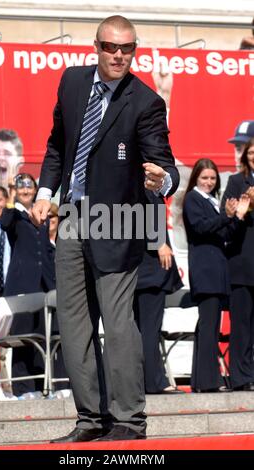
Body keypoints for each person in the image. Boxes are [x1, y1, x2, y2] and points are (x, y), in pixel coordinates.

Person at [32, 15, 179, 442]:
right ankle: (90, 420)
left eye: (127, 48)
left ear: (135, 51)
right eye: (110, 47)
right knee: (75, 327)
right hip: (73, 218)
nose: (118, 55)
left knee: (117, 326)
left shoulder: (146, 102)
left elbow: (165, 163)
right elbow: (57, 145)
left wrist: (162, 181)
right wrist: (45, 192)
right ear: (96, 46)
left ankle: (129, 422)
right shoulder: (72, 83)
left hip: (118, 222)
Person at [183, 158, 249, 393]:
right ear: (196, 178)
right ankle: (209, 381)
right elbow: (201, 227)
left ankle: (202, 380)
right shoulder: (193, 198)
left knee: (208, 328)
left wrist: (237, 216)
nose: (209, 182)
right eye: (204, 178)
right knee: (209, 327)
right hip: (205, 271)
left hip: (217, 272)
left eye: (212, 178)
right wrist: (226, 216)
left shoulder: (211, 201)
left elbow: (225, 231)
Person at [1, 173, 55, 397]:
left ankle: (41, 386)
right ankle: (23, 388)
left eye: (28, 186)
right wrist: (11, 195)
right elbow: (4, 222)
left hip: (43, 284)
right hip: (22, 284)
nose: (25, 190)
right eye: (20, 187)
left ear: (35, 190)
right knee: (22, 338)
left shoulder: (41, 214)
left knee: (42, 337)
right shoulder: (13, 215)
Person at [134, 193, 183, 394]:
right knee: (149, 330)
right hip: (150, 272)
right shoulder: (144, 189)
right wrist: (158, 242)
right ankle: (155, 382)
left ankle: (146, 381)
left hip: (141, 272)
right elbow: (140, 217)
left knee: (142, 330)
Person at [221, 138, 254, 391]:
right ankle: (241, 378)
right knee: (242, 325)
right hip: (242, 263)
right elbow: (228, 221)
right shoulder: (235, 181)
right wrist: (238, 212)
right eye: (251, 152)